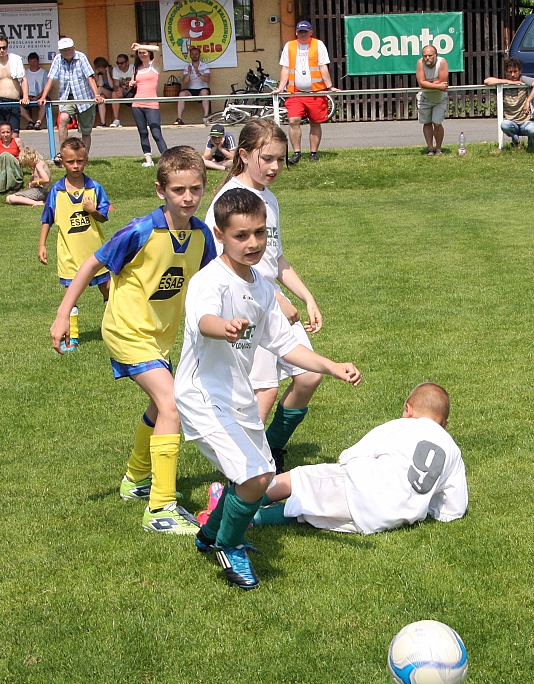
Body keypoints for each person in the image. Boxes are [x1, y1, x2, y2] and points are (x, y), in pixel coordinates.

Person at [178, 188, 362, 589]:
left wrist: (331, 366)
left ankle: (209, 534)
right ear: (219, 235)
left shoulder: (262, 287)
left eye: (260, 233)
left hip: (237, 395)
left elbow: (285, 344)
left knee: (259, 474)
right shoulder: (210, 281)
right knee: (255, 478)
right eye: (241, 235)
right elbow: (204, 320)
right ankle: (229, 545)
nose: (253, 243)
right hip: (203, 395)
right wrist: (224, 327)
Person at [49, 146, 215, 533]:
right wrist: (62, 314)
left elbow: (217, 278)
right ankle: (161, 509)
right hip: (126, 330)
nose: (187, 197)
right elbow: (92, 263)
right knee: (172, 403)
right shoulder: (141, 230)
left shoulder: (202, 235)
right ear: (161, 190)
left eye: (195, 189)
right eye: (178, 190)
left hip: (159, 338)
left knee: (160, 407)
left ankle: (135, 480)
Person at [204, 119, 324, 474]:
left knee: (309, 376)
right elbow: (225, 264)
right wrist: (274, 298)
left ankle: (270, 449)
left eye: (280, 160)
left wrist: (306, 297)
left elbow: (276, 259)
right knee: (263, 393)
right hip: (245, 305)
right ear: (243, 155)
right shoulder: (228, 201)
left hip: (271, 300)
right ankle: (241, 471)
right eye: (267, 158)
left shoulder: (268, 198)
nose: (274, 167)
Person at [241, 382, 467, 537]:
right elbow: (454, 509)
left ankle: (238, 501)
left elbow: (349, 457)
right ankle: (256, 519)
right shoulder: (452, 450)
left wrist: (337, 468)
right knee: (308, 512)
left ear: (408, 410)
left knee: (300, 478)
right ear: (445, 425)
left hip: (361, 491)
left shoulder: (401, 426)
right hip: (381, 521)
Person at [37, 137, 111, 348]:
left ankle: (112, 329)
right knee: (70, 296)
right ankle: (71, 337)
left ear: (86, 160)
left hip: (95, 253)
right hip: (69, 254)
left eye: (79, 161)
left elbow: (103, 217)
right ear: (62, 162)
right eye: (71, 162)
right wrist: (42, 245)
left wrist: (93, 211)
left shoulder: (94, 188)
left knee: (108, 290)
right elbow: (47, 218)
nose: (76, 166)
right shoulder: (57, 191)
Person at [276, 21, 337, 164]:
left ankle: (313, 153)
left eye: (305, 31)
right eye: (300, 32)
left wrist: (330, 87)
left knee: (315, 122)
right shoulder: (289, 46)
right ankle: (297, 153)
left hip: (315, 92)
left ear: (311, 32)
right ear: (296, 32)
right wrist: (280, 88)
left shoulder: (318, 44)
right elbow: (285, 68)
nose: (302, 34)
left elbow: (323, 67)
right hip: (295, 92)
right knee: (293, 120)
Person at [39, 38, 105, 160]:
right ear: (60, 51)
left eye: (69, 49)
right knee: (63, 119)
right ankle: (63, 154)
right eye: (64, 50)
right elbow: (51, 79)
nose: (67, 52)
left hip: (84, 98)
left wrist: (96, 95)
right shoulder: (58, 59)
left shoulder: (81, 57)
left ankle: (83, 158)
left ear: (74, 49)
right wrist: (43, 97)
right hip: (67, 98)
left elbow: (90, 77)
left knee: (85, 131)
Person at [484, 58, 534, 150]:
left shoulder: (523, 79)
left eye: (515, 71)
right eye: (510, 72)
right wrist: (508, 82)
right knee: (504, 125)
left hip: (526, 121)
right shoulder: (504, 84)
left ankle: (531, 142)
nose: (513, 74)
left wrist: (528, 101)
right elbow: (487, 81)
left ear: (520, 71)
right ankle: (515, 140)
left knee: (532, 130)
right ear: (506, 72)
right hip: (512, 122)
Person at [129, 43, 168, 167]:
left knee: (156, 133)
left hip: (151, 104)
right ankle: (148, 160)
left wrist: (140, 46)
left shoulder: (154, 65)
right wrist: (132, 83)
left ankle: (168, 159)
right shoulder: (137, 68)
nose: (141, 55)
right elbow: (133, 82)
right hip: (137, 104)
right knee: (143, 133)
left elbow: (157, 49)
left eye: (144, 52)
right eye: (139, 53)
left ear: (149, 53)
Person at [416, 45, 449, 156]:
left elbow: (443, 81)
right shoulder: (420, 63)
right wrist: (437, 85)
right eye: (425, 56)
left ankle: (438, 148)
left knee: (437, 123)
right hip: (424, 97)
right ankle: (430, 149)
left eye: (430, 55)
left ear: (436, 55)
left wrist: (428, 84)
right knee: (427, 123)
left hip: (440, 98)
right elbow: (421, 83)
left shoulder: (442, 62)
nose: (427, 58)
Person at [175, 46, 210, 125]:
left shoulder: (204, 66)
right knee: (181, 94)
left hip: (202, 88)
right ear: (190, 55)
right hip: (191, 89)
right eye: (192, 54)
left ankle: (206, 117)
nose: (194, 55)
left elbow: (208, 80)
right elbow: (184, 82)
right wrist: (189, 73)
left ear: (199, 55)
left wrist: (198, 73)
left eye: (196, 54)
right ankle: (179, 119)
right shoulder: (187, 67)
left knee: (204, 92)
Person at [20, 53, 47, 130]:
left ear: (38, 61)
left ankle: (38, 122)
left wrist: (38, 97)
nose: (33, 64)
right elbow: (20, 87)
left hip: (40, 96)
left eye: (34, 61)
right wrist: (26, 96)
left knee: (44, 104)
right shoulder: (25, 73)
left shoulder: (44, 72)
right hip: (27, 96)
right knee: (17, 105)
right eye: (31, 61)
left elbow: (46, 87)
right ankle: (30, 121)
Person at [109, 53, 134, 127]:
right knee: (114, 93)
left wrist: (124, 89)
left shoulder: (133, 68)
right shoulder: (115, 69)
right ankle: (116, 120)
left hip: (134, 92)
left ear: (127, 62)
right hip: (123, 93)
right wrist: (118, 89)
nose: (119, 65)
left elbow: (135, 84)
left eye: (122, 63)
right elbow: (115, 85)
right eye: (118, 63)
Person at [92, 57, 113, 128]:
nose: (99, 69)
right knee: (101, 98)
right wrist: (99, 75)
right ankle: (103, 122)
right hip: (102, 95)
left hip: (112, 94)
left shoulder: (111, 71)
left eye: (100, 68)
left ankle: (92, 105)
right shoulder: (97, 74)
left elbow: (111, 85)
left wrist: (107, 74)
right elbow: (100, 84)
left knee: (100, 89)